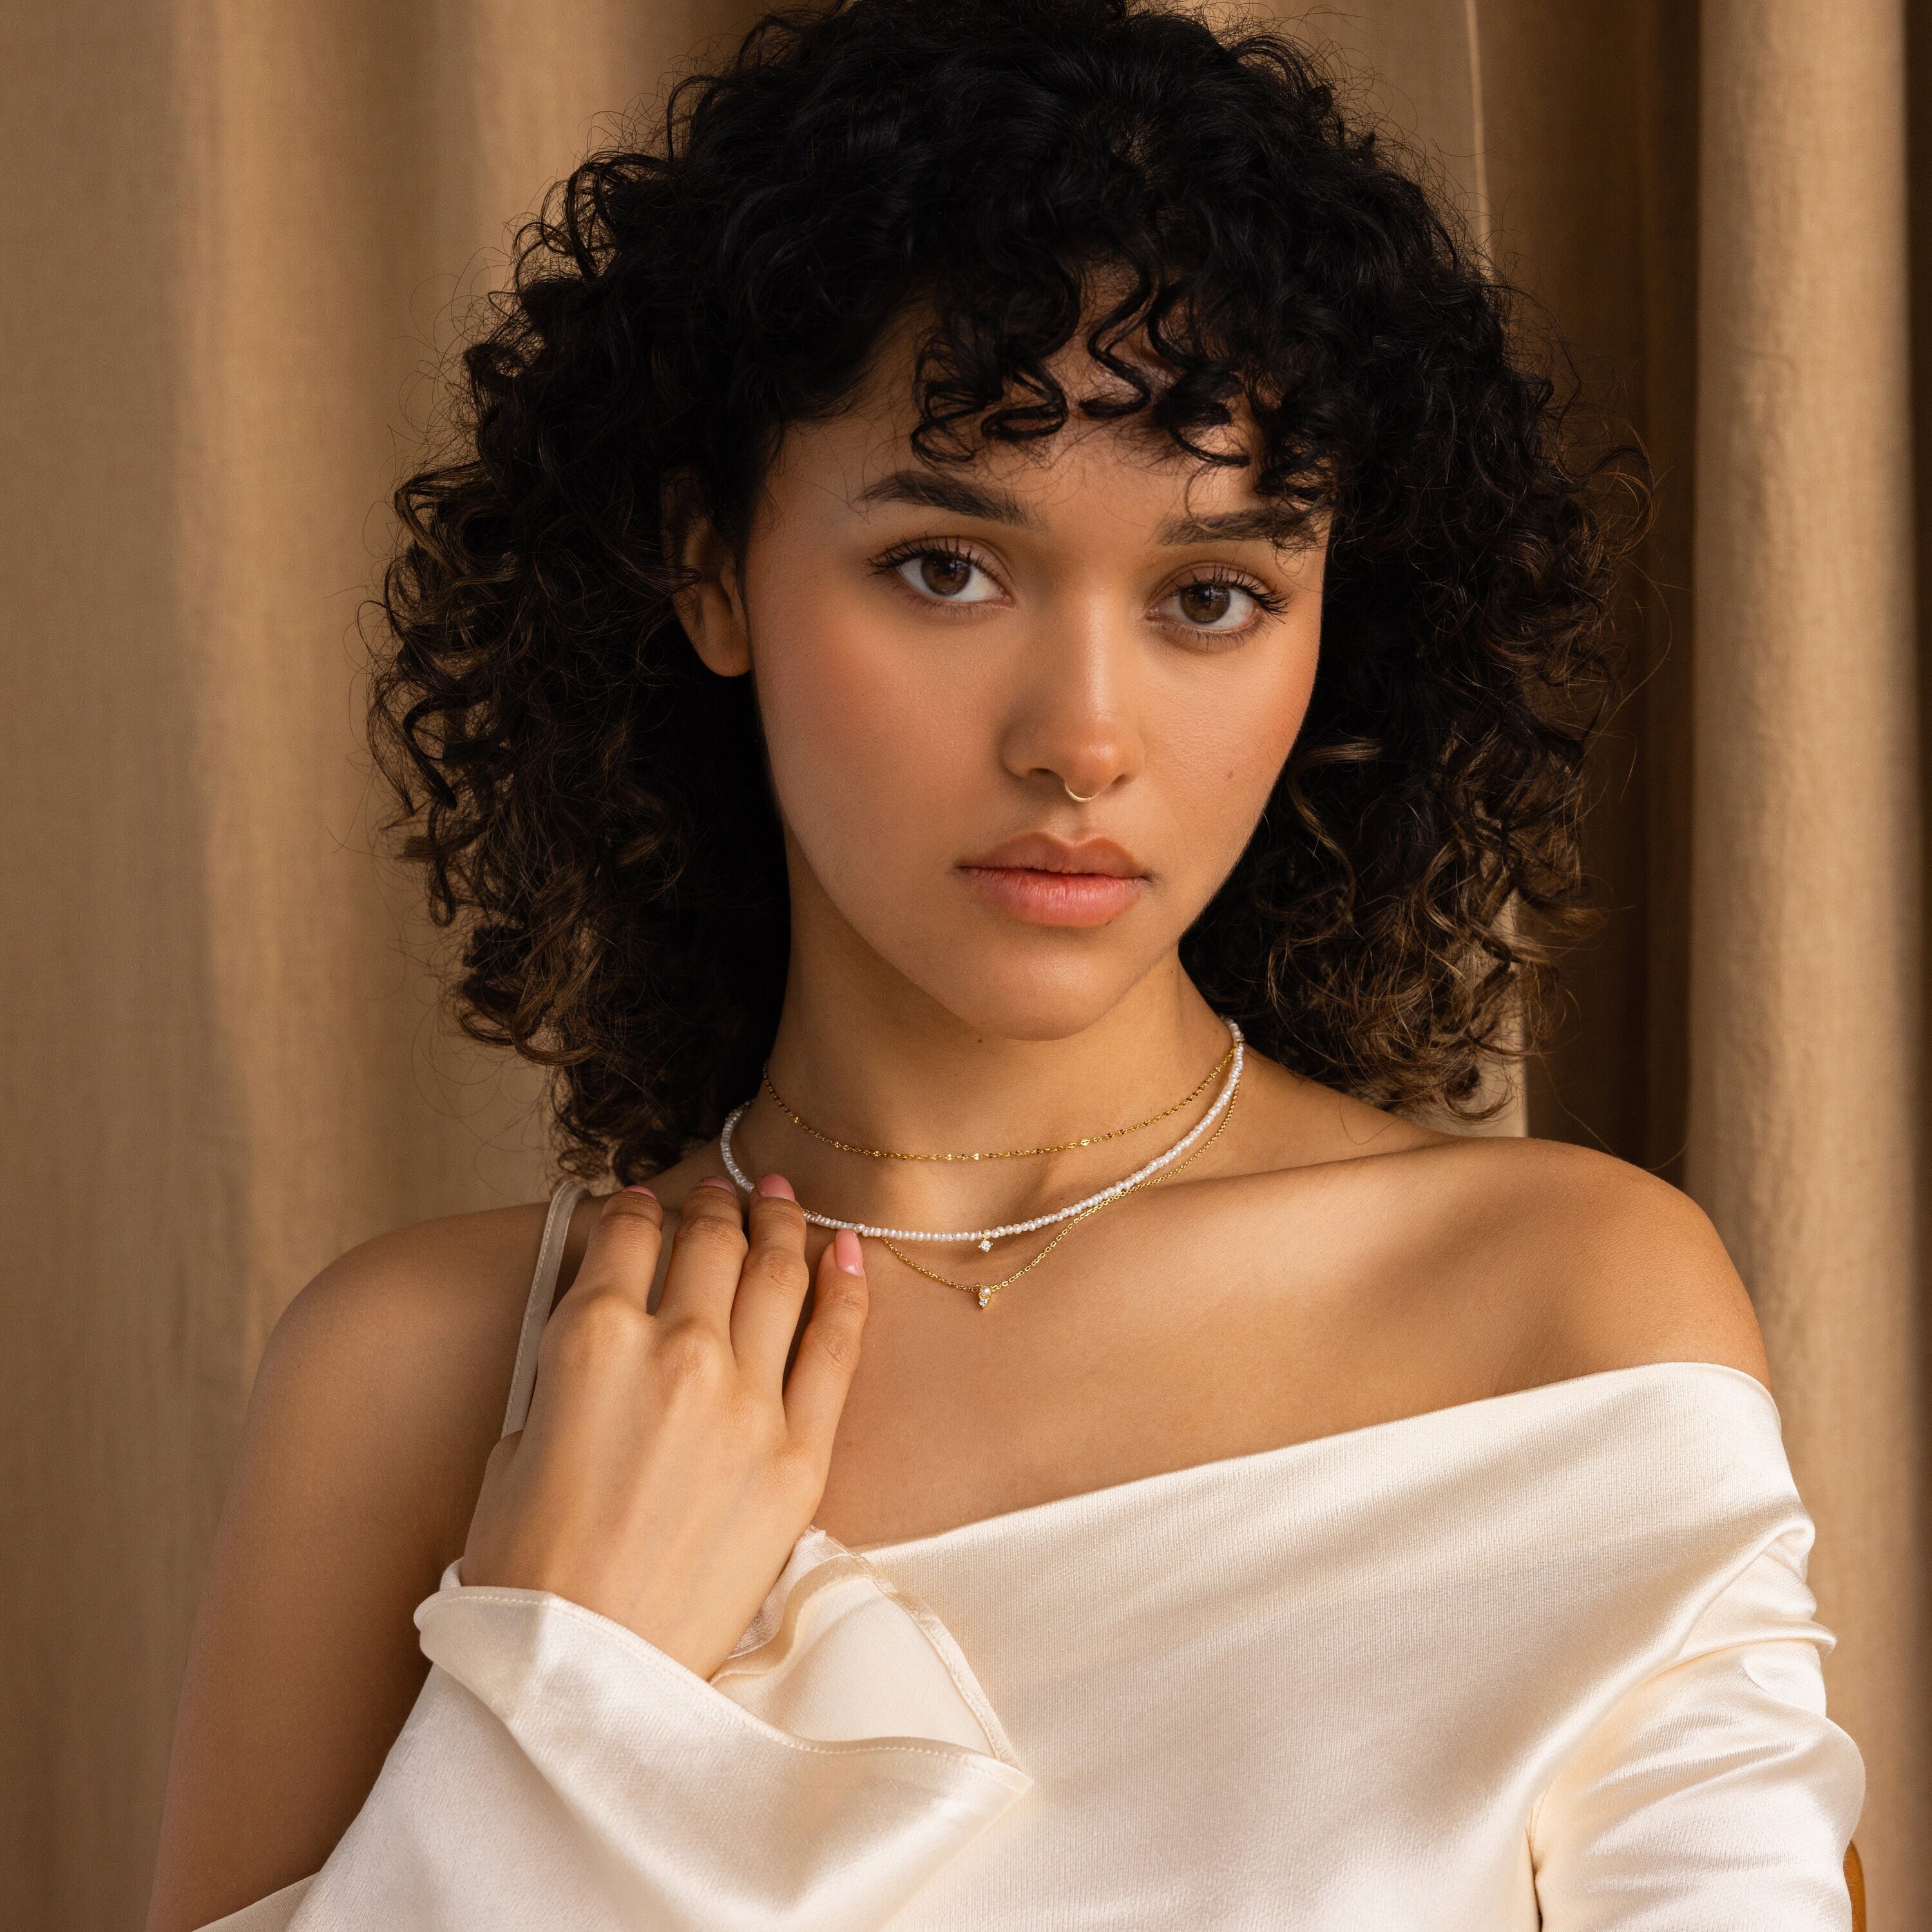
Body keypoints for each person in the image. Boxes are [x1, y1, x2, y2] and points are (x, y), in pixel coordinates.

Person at [143, 1, 1864, 1926]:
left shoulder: (1568, 1308)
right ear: (711, 565)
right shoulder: (421, 1381)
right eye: (948, 569)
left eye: (1212, 596)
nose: (1084, 737)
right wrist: (570, 1663)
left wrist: (583, 1706)